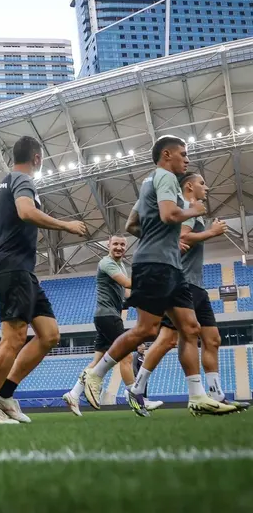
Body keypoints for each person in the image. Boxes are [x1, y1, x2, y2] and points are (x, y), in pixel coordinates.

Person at [81, 136, 236, 416]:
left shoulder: (148, 183)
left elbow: (132, 224)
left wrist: (167, 238)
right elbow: (168, 215)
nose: (187, 160)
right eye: (183, 154)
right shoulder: (164, 177)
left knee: (189, 329)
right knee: (147, 330)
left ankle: (198, 396)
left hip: (170, 265)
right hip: (154, 264)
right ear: (167, 155)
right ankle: (95, 374)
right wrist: (193, 211)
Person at [0, 136, 87, 425]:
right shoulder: (23, 181)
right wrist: (66, 224)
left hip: (21, 269)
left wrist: (5, 242)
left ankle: (5, 394)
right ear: (37, 158)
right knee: (14, 338)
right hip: (13, 268)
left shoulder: (5, 183)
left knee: (49, 334)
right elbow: (26, 212)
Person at [126, 172, 249, 415]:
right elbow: (180, 238)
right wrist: (210, 233)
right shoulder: (184, 209)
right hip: (181, 283)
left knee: (212, 339)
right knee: (168, 338)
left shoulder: (190, 210)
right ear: (190, 186)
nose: (207, 187)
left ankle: (216, 395)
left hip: (197, 285)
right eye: (202, 183)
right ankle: (137, 389)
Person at [62, 235, 136, 416]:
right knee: (126, 357)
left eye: (122, 245)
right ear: (108, 246)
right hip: (108, 316)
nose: (119, 247)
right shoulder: (107, 263)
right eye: (115, 244)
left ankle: (73, 394)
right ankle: (137, 399)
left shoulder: (121, 266)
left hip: (106, 316)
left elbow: (127, 293)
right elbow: (127, 283)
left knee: (96, 362)